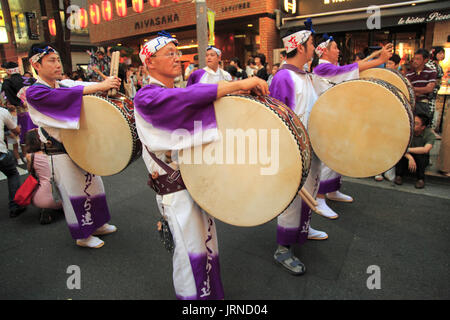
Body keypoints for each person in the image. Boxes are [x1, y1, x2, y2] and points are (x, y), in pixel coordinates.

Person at [134, 33, 268, 300]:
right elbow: (188, 99)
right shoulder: (147, 97)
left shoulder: (173, 92)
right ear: (149, 63)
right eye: (169, 53)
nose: (177, 58)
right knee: (189, 255)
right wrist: (239, 83)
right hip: (176, 192)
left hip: (195, 186)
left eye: (177, 52)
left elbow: (193, 101)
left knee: (206, 247)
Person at [25, 44, 121, 248]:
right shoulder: (34, 92)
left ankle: (98, 224)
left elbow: (79, 87)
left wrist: (107, 83)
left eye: (58, 60)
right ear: (36, 64)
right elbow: (69, 96)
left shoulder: (63, 84)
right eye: (51, 60)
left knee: (94, 185)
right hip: (59, 150)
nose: (58, 64)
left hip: (80, 146)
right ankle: (83, 235)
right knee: (75, 191)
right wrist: (100, 86)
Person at [268, 20, 329, 276]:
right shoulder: (284, 77)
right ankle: (283, 248)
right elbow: (276, 119)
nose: (315, 47)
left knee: (309, 192)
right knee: (291, 200)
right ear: (301, 46)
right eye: (312, 43)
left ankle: (303, 229)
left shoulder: (305, 75)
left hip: (311, 147)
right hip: (295, 152)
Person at [312, 34, 393, 219]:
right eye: (335, 47)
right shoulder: (322, 67)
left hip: (337, 118)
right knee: (328, 158)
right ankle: (319, 197)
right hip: (326, 119)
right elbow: (351, 69)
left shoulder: (332, 68)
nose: (338, 50)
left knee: (339, 156)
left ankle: (332, 190)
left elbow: (348, 71)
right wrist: (379, 60)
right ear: (325, 50)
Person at [24, 129, 63, 224]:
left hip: (41, 199)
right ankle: (62, 206)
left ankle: (46, 208)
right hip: (63, 193)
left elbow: (30, 172)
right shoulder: (53, 152)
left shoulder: (30, 156)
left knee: (40, 184)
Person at [1, 62, 37, 150]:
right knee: (37, 136)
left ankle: (28, 159)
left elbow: (5, 99)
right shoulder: (31, 80)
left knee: (26, 139)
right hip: (36, 112)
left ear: (8, 72)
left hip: (21, 113)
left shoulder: (7, 83)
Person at [394, 114, 435, 189]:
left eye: (416, 123)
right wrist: (410, 157)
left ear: (423, 127)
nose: (412, 124)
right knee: (400, 156)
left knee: (422, 157)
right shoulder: (406, 130)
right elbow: (399, 147)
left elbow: (426, 149)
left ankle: (420, 179)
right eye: (412, 121)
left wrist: (407, 150)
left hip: (419, 155)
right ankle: (399, 176)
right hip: (407, 154)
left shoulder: (429, 135)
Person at [1, 105, 26, 217]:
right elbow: (16, 130)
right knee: (12, 174)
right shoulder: (2, 112)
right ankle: (15, 206)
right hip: (1, 153)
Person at [405, 49, 437, 118]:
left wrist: (412, 89)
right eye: (414, 59)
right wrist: (421, 90)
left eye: (418, 59)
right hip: (411, 103)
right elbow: (406, 89)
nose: (415, 61)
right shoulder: (408, 74)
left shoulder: (431, 72)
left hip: (423, 103)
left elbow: (429, 89)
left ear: (425, 60)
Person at [426, 46, 445, 133]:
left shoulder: (437, 65)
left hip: (434, 91)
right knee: (429, 110)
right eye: (440, 53)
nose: (442, 55)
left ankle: (430, 130)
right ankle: (428, 131)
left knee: (432, 110)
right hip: (429, 91)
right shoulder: (430, 65)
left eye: (443, 53)